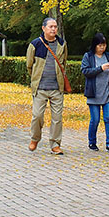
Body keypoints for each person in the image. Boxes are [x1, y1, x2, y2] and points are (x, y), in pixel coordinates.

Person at [26, 17, 68, 155]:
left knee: (57, 118)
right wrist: (35, 79)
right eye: (50, 26)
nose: (53, 29)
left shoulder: (62, 44)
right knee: (37, 115)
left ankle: (55, 144)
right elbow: (29, 65)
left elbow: (64, 63)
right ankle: (35, 138)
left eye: (55, 26)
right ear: (43, 28)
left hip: (57, 88)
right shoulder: (35, 44)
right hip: (40, 88)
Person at [81, 32, 109, 153]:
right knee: (95, 119)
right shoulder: (88, 56)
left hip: (107, 93)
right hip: (93, 93)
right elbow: (85, 71)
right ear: (95, 45)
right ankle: (92, 142)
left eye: (104, 45)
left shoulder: (108, 56)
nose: (102, 48)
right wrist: (100, 68)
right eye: (100, 45)